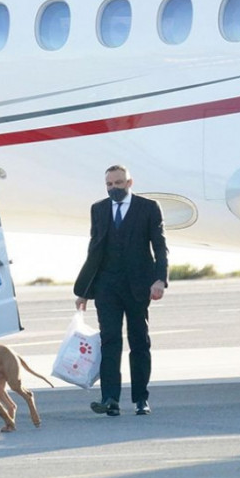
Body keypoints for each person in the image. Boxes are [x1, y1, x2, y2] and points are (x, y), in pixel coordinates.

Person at [73, 164, 168, 417]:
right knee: (110, 341)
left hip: (138, 286)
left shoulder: (148, 208)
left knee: (139, 342)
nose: (113, 188)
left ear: (129, 183)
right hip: (107, 287)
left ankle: (140, 399)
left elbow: (160, 246)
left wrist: (160, 279)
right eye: (109, 184)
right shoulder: (99, 209)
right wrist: (84, 290)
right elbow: (94, 251)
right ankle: (110, 399)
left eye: (118, 183)